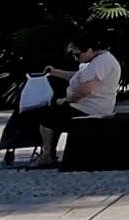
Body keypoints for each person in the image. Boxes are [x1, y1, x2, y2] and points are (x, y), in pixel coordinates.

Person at [29, 39, 120, 169]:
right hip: (85, 105)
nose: (75, 58)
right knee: (53, 113)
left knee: (47, 118)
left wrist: (67, 100)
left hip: (90, 108)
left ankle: (47, 155)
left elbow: (86, 89)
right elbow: (77, 76)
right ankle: (49, 154)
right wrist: (54, 72)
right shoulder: (94, 62)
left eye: (77, 55)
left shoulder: (102, 62)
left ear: (89, 50)